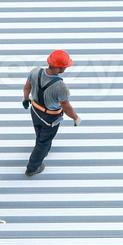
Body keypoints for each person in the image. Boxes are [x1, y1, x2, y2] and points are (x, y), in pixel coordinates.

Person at [21, 49, 80, 177]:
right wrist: (75, 117)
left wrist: (25, 99)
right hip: (50, 118)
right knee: (44, 142)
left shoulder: (35, 72)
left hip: (35, 110)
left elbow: (27, 87)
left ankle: (42, 148)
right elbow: (65, 106)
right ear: (60, 68)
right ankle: (32, 167)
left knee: (39, 133)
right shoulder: (61, 87)